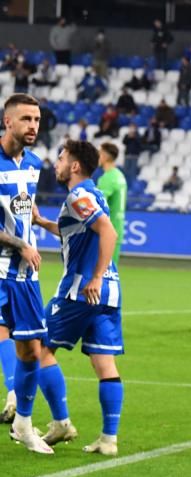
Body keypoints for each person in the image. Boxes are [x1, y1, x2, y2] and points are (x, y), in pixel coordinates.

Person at [31, 139, 123, 456]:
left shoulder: (79, 194)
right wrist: (43, 222)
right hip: (110, 291)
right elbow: (78, 230)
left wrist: (94, 276)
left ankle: (60, 422)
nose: (55, 164)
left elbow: (108, 232)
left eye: (60, 158)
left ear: (74, 166)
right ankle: (109, 439)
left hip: (82, 290)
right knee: (104, 362)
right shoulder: (94, 194)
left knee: (39, 347)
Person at [0, 93, 57, 453]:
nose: (33, 126)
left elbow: (24, 205)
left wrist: (45, 223)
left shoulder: (34, 163)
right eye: (26, 119)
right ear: (7, 122)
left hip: (24, 275)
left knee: (31, 351)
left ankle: (22, 422)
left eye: (36, 120)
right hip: (4, 267)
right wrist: (20, 245)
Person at [97, 143, 127, 264]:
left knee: (98, 275)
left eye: (99, 154)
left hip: (106, 232)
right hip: (117, 229)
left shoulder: (107, 178)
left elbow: (98, 205)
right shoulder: (120, 176)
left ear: (104, 156)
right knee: (110, 276)